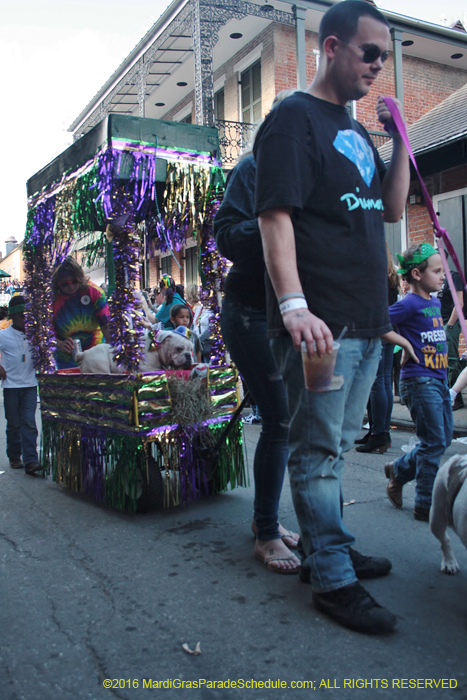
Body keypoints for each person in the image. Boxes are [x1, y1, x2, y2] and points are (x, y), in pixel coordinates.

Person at [254, 0, 410, 633]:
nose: (378, 64)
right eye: (370, 52)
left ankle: (327, 544)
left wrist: (400, 142)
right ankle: (333, 579)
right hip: (322, 325)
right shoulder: (293, 118)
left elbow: (393, 210)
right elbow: (274, 215)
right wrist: (294, 305)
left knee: (339, 446)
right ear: (333, 46)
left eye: (383, 55)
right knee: (318, 452)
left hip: (366, 319)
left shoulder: (359, 131)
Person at [215, 91, 303, 574]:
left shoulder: (309, 172)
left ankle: (268, 521)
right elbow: (226, 235)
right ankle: (266, 531)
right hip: (249, 311)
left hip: (291, 315)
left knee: (291, 421)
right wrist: (273, 225)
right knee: (280, 419)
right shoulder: (252, 167)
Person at [384, 243, 453, 522]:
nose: (442, 276)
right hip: (419, 381)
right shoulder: (408, 304)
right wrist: (404, 345)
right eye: (436, 271)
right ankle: (425, 505)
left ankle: (399, 471)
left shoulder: (434, 302)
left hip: (439, 379)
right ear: (416, 273)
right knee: (433, 440)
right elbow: (378, 324)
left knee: (442, 439)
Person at [355, 243, 400, 453]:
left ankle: (379, 434)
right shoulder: (391, 275)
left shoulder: (374, 273)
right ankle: (379, 431)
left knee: (376, 382)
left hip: (378, 330)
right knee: (384, 382)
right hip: (391, 329)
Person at [0, 295, 41, 475]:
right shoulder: (3, 335)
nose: (26, 320)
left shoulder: (36, 334)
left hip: (30, 385)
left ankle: (31, 460)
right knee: (14, 424)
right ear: (13, 316)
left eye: (29, 316)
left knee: (29, 422)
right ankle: (14, 455)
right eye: (22, 316)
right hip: (10, 386)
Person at [52, 257, 111, 369]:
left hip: (96, 355)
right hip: (66, 360)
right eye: (65, 284)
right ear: (57, 284)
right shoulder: (51, 299)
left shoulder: (94, 292)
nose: (71, 287)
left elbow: (106, 326)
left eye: (74, 282)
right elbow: (46, 335)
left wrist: (111, 353)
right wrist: (60, 344)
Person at [437, 257, 465, 409]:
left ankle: (454, 397)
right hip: (439, 324)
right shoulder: (437, 278)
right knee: (444, 362)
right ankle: (453, 394)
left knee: (451, 361)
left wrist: (449, 325)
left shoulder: (453, 277)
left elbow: (459, 303)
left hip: (450, 324)